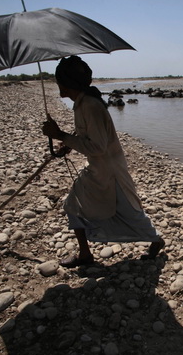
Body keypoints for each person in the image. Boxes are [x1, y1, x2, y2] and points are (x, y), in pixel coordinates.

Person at [42, 56, 165, 267]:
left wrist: (61, 135)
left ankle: (156, 239)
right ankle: (85, 254)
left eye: (59, 81)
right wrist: (68, 143)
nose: (58, 85)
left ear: (67, 83)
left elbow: (98, 147)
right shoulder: (82, 104)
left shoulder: (89, 106)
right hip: (99, 169)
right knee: (73, 205)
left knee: (129, 211)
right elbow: (87, 136)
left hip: (109, 171)